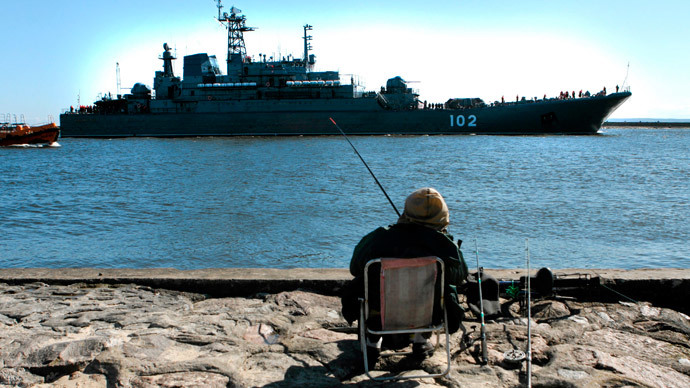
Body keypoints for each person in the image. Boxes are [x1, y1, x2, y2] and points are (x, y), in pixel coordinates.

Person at [341, 187, 468, 363]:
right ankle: (421, 341)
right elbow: (459, 276)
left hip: (379, 311)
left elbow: (355, 268)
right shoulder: (446, 246)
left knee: (365, 287)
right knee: (440, 291)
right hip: (428, 312)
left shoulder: (379, 237)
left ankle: (373, 342)